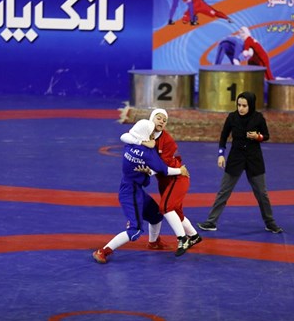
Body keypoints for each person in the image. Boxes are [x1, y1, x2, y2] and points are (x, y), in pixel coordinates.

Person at [93, 119, 191, 264]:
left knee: (156, 215)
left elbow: (126, 136)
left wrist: (146, 170)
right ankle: (103, 251)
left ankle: (154, 242)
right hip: (131, 192)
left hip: (132, 187)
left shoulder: (129, 144)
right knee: (135, 230)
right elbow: (163, 170)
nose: (153, 135)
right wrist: (180, 170)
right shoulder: (147, 153)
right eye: (151, 133)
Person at [197, 92, 283, 234]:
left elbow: (266, 135)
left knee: (262, 194)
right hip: (235, 158)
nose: (241, 108)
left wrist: (258, 136)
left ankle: (270, 223)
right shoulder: (232, 117)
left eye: (244, 106)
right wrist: (220, 155)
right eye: (239, 105)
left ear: (251, 105)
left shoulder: (258, 118)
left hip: (254, 159)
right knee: (224, 191)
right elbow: (223, 137)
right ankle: (211, 222)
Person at [121, 109, 203, 250]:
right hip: (164, 180)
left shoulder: (168, 141)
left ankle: (182, 239)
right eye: (159, 118)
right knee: (176, 212)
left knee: (165, 207)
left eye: (165, 120)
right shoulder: (144, 133)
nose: (162, 121)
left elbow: (161, 167)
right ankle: (194, 236)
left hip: (176, 177)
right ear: (151, 119)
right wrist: (141, 141)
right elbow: (124, 136)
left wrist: (150, 172)